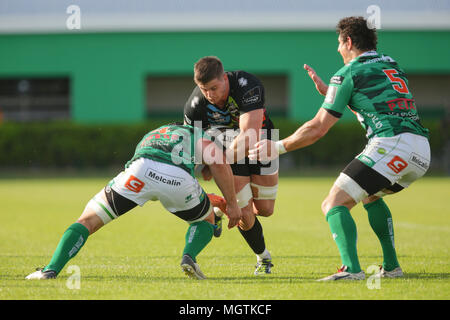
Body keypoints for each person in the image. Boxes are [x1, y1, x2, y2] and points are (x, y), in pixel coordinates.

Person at [249, 16, 431, 281]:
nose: (337, 49)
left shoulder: (347, 73)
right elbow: (378, 101)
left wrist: (275, 147)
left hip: (393, 144)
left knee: (332, 203)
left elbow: (316, 130)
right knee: (370, 195)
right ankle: (391, 267)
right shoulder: (390, 63)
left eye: (338, 43)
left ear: (348, 41)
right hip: (420, 149)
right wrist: (333, 94)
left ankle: (352, 270)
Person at [26, 122, 241, 280]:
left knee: (87, 221)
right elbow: (219, 163)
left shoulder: (155, 133)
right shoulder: (199, 134)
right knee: (206, 219)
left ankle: (50, 270)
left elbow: (155, 177)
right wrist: (231, 203)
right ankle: (189, 257)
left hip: (139, 171)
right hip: (177, 178)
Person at [184, 56, 279, 275]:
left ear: (224, 78)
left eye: (214, 88)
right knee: (244, 212)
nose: (209, 95)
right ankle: (263, 258)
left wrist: (218, 163)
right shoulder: (195, 105)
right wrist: (204, 163)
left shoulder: (247, 86)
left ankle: (220, 207)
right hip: (225, 146)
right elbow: (193, 142)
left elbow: (249, 136)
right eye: (203, 89)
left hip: (261, 141)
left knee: (264, 210)